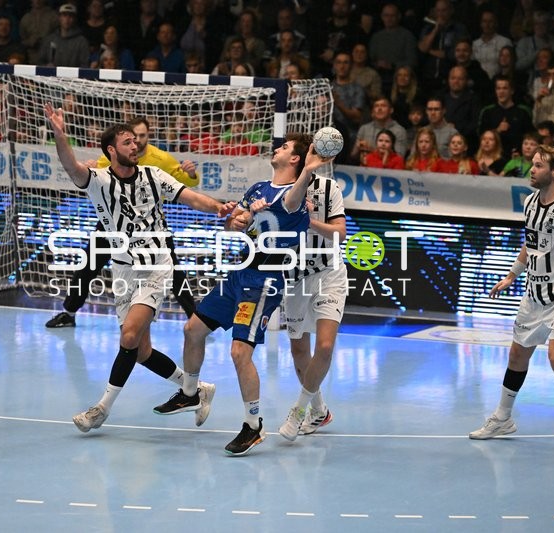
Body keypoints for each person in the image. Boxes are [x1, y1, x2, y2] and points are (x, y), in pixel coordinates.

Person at [43, 104, 233, 433]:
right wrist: (60, 135)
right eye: (128, 142)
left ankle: (101, 408)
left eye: (137, 141)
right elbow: (71, 166)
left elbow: (191, 197)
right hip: (123, 271)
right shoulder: (98, 180)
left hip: (157, 266)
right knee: (141, 351)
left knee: (129, 335)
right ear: (111, 150)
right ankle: (197, 389)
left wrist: (219, 208)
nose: (136, 146)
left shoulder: (153, 175)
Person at [153, 133, 333, 456]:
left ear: (295, 159)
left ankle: (252, 426)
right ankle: (191, 392)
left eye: (285, 147)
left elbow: (290, 202)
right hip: (240, 272)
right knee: (192, 329)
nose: (277, 148)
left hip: (265, 280)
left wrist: (309, 169)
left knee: (239, 352)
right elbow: (233, 223)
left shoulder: (296, 196)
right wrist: (238, 222)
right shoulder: (257, 189)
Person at [471, 144, 554, 462]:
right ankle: (502, 419)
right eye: (532, 164)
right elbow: (531, 245)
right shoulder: (530, 202)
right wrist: (512, 276)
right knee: (516, 355)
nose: (532, 169)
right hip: (534, 295)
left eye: (538, 165)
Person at [45, 116, 201, 328]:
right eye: (130, 139)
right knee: (88, 266)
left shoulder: (161, 159)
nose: (136, 142)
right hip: (113, 227)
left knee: (174, 271)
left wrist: (191, 174)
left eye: (140, 137)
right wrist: (88, 165)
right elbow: (92, 174)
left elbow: (182, 182)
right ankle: (69, 312)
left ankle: (195, 318)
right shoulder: (114, 156)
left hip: (151, 229)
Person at [278, 169, 347, 441]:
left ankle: (298, 410)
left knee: (326, 346)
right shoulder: (276, 189)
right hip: (294, 279)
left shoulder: (328, 188)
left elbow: (340, 233)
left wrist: (309, 221)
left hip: (329, 272)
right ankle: (319, 410)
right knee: (298, 349)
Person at [351, 97, 407, 165]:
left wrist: (372, 150)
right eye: (376, 106)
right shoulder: (364, 128)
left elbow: (400, 157)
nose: (379, 109)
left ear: (391, 110)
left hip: (388, 172)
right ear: (373, 111)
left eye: (383, 106)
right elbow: (353, 156)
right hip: (365, 169)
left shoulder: (399, 131)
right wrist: (358, 147)